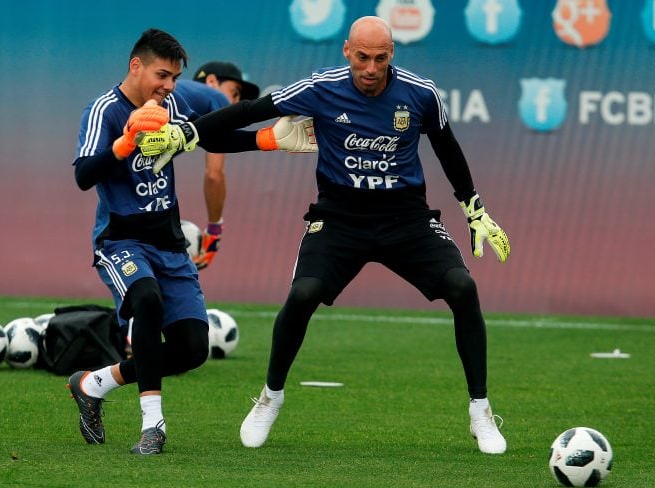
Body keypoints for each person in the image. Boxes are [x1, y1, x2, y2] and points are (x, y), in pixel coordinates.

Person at [140, 16, 511, 454]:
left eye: (380, 58)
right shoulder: (320, 88)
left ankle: (480, 411)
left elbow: (447, 145)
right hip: (340, 217)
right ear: (347, 52)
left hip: (405, 217)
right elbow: (248, 112)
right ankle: (270, 397)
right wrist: (190, 131)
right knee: (302, 295)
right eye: (362, 57)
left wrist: (472, 206)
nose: (370, 68)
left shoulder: (420, 93)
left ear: (392, 55)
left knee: (463, 288)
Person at [69, 28, 314, 456]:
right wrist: (125, 143)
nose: (169, 86)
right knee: (147, 300)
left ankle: (94, 383)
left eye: (174, 78)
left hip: (168, 242)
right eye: (162, 75)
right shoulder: (104, 109)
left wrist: (269, 139)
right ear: (136, 66)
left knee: (191, 350)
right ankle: (153, 426)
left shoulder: (172, 104)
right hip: (121, 240)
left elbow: (212, 138)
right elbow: (83, 175)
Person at [175, 62, 260, 270]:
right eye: (235, 92)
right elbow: (214, 174)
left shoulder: (180, 108)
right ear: (211, 82)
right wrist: (214, 232)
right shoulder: (215, 99)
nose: (236, 102)